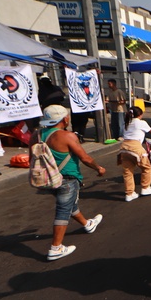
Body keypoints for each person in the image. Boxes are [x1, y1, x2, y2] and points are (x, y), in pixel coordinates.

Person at [29, 105, 106, 261]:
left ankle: (87, 224)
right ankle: (56, 248)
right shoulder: (67, 136)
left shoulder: (36, 135)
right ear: (64, 119)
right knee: (63, 210)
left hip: (48, 179)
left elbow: (34, 156)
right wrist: (98, 168)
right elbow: (85, 158)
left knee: (70, 205)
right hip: (67, 179)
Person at [118, 106, 151, 202]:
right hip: (135, 147)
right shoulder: (141, 123)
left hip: (124, 148)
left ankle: (129, 194)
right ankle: (145, 188)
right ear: (140, 114)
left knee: (127, 172)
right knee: (146, 167)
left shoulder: (126, 122)